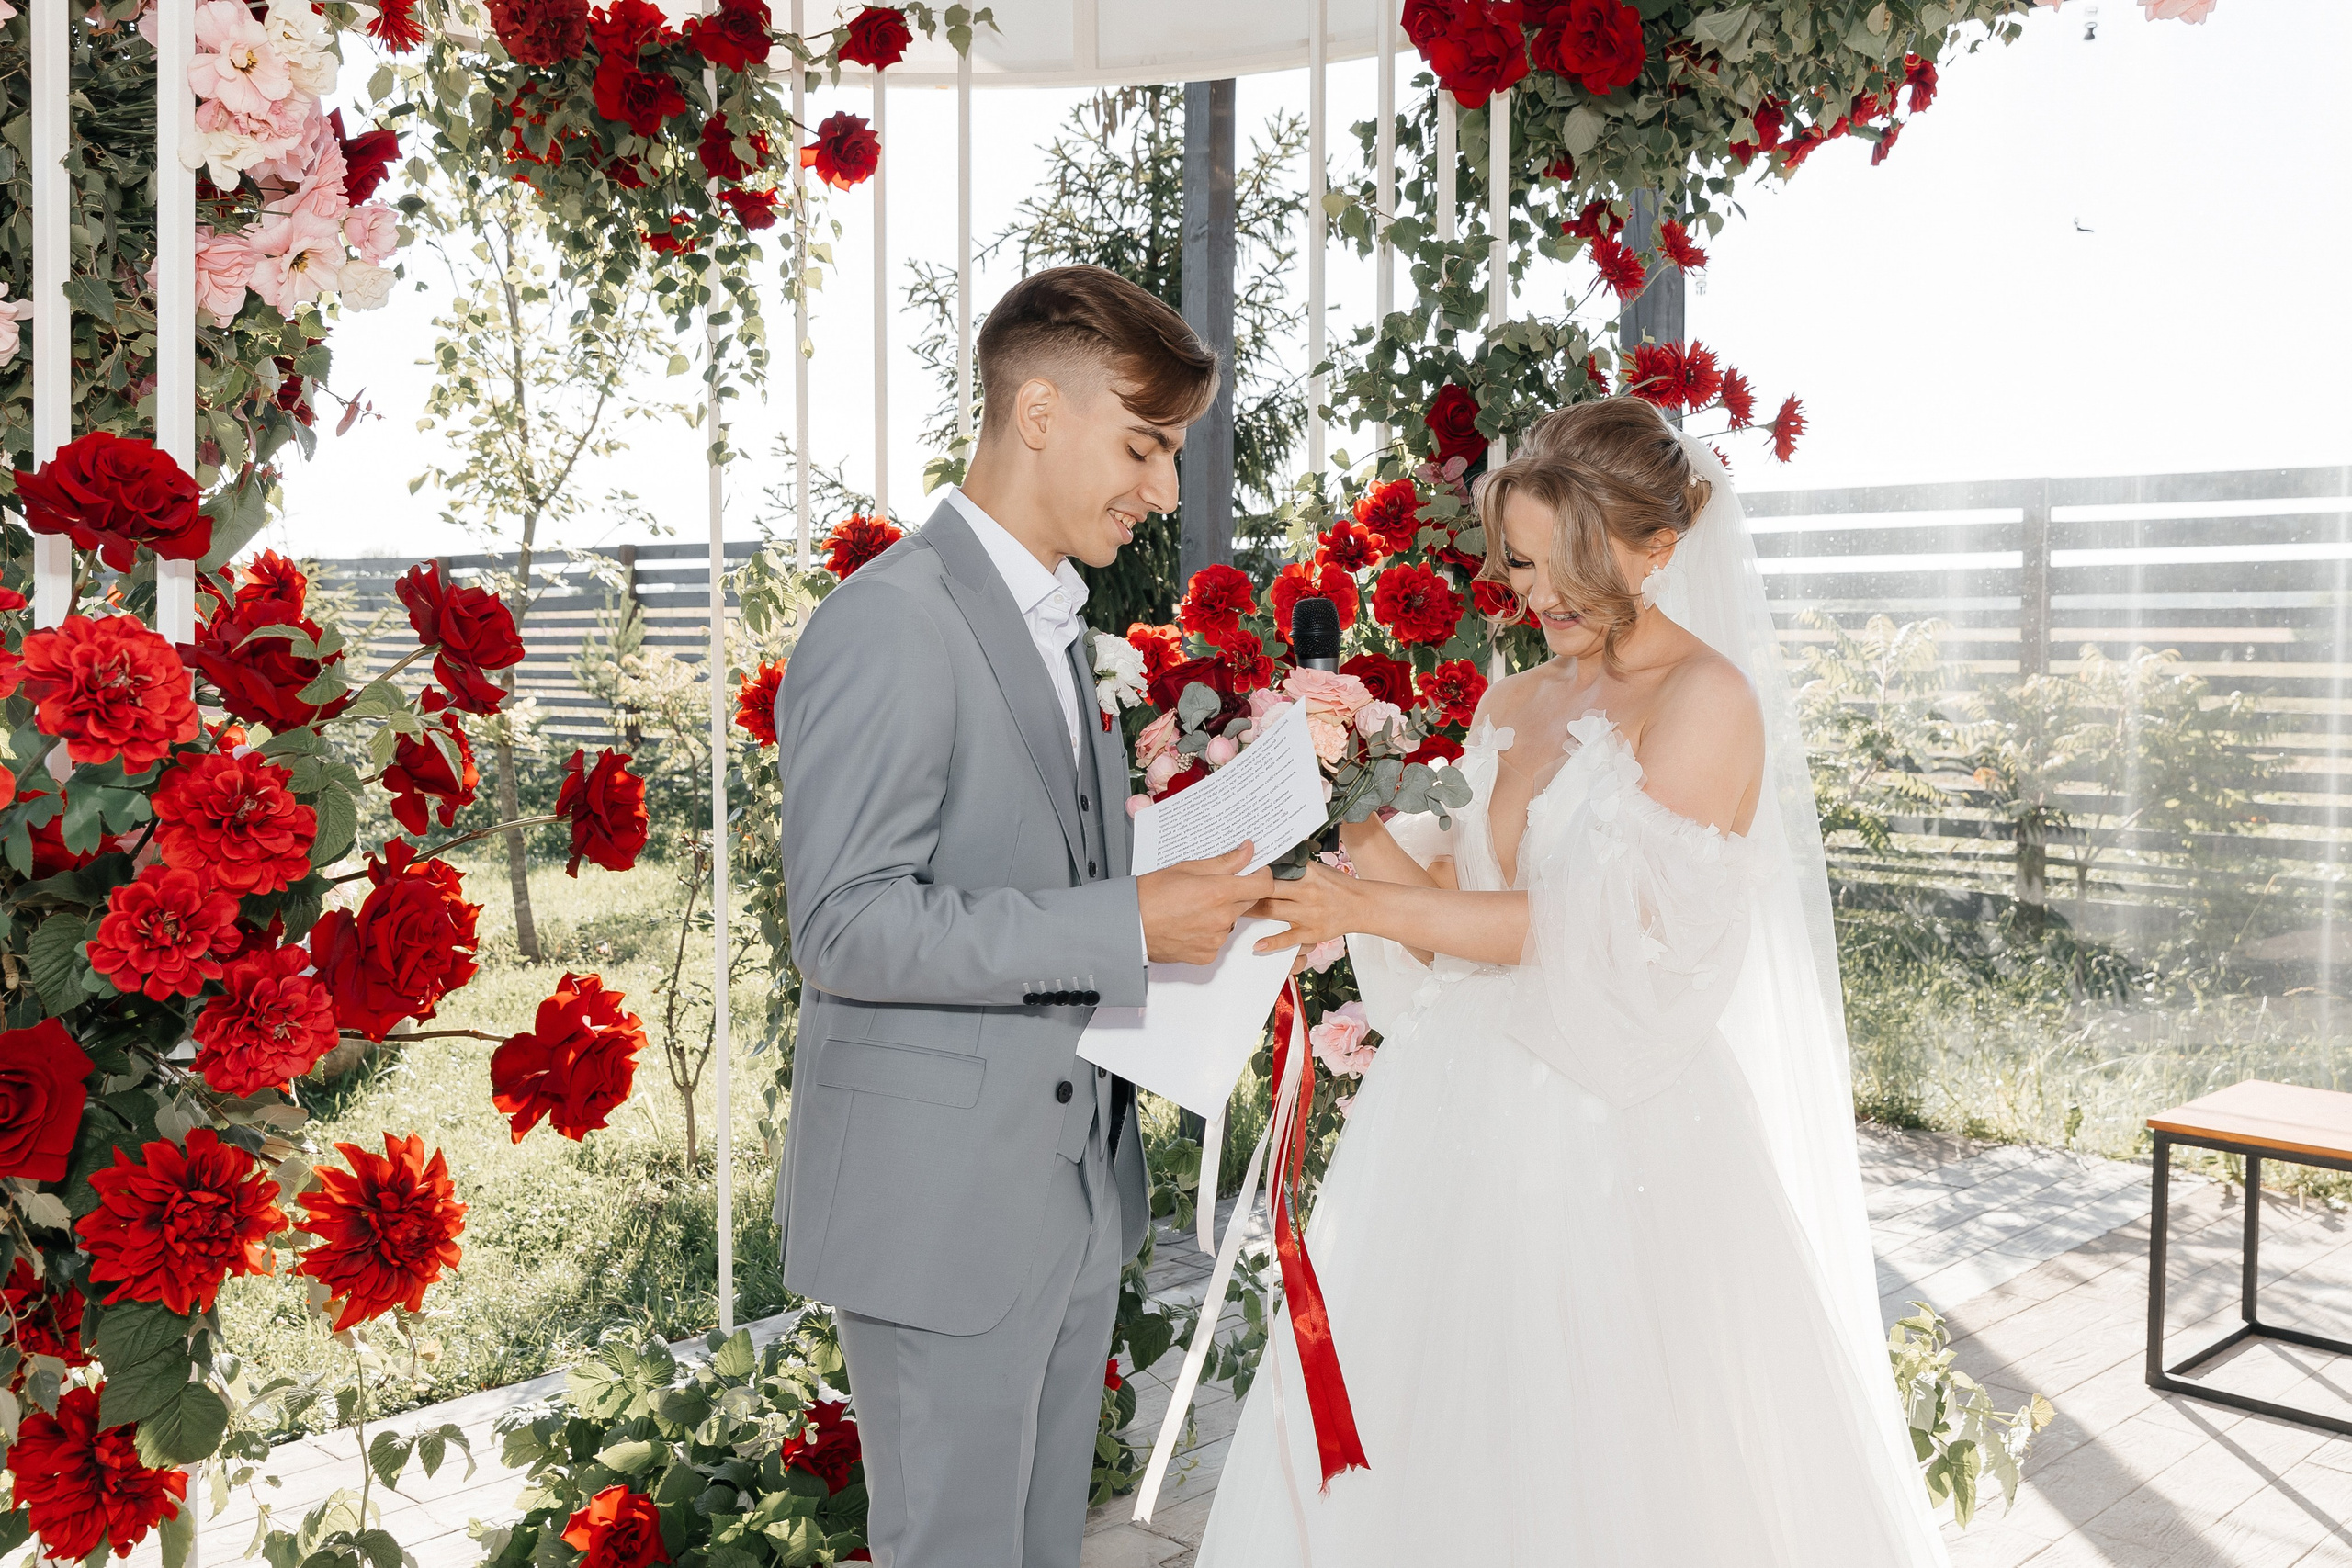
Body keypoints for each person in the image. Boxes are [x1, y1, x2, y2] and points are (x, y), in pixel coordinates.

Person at [1194, 398, 1952, 1565]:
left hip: (1612, 1131)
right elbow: (1451, 913)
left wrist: (1368, 906)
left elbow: (1604, 935)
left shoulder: (1707, 705)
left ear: (1658, 547)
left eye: (1564, 568)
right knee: (1435, 1436)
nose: (1533, 599)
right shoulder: (1514, 700)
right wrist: (1341, 794)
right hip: (1452, 1117)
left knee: (1605, 1456)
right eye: (1522, 568)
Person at [771, 265, 1274, 1568]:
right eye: (1147, 445)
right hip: (943, 1209)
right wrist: (1127, 918)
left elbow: (1035, 870)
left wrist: (1199, 887)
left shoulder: (1055, 627)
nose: (1163, 488)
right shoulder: (890, 622)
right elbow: (846, 926)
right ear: (1038, 410)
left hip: (1066, 1196)